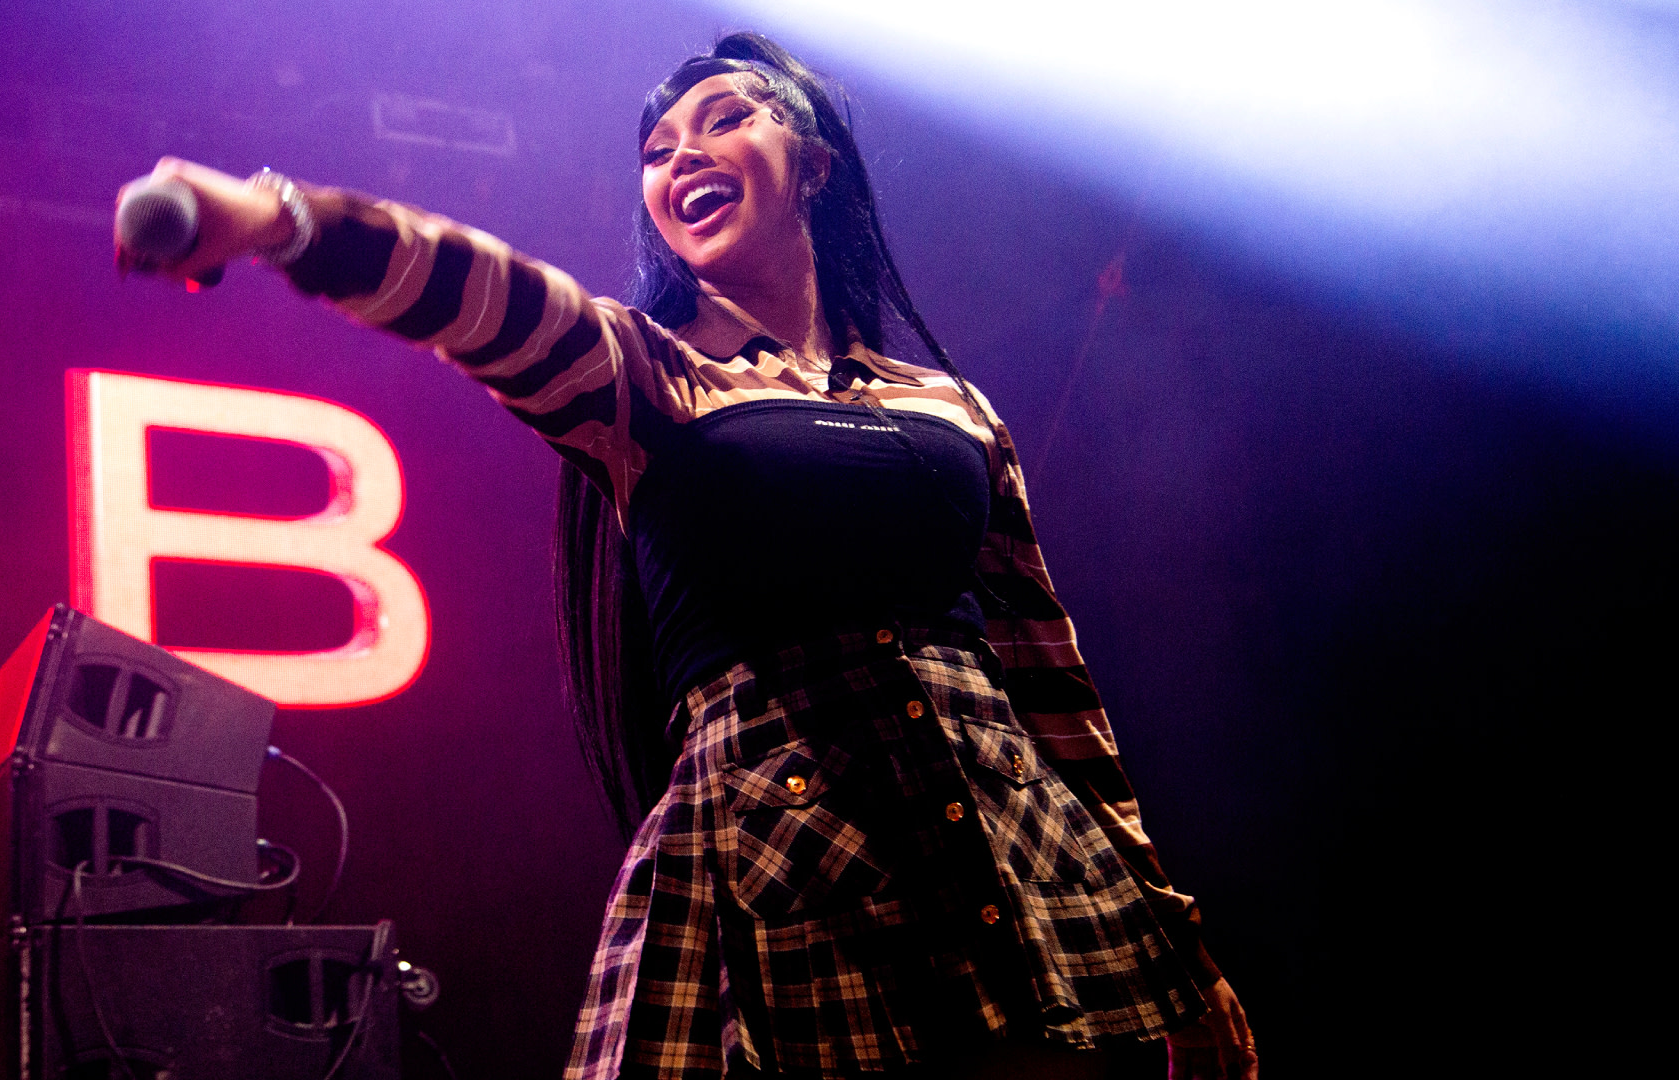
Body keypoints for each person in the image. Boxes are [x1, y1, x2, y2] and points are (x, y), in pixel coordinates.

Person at [118, 31, 1257, 1080]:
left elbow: (1053, 688)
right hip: (791, 880)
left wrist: (1174, 932)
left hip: (1022, 865)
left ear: (813, 165)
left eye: (724, 120)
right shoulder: (647, 377)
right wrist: (278, 220)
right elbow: (485, 295)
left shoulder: (951, 403)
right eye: (657, 151)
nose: (683, 158)